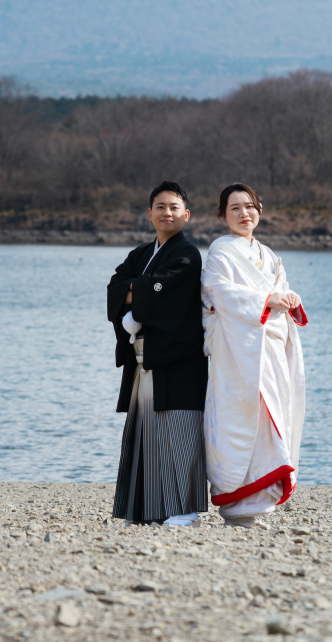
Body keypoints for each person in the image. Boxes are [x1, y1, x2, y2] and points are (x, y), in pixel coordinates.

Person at [201, 183, 307, 527]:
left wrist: (288, 298)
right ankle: (238, 500)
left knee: (271, 416)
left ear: (259, 210)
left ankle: (263, 501)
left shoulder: (270, 254)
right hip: (237, 349)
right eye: (235, 208)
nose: (244, 213)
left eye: (250, 206)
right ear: (223, 215)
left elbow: (280, 288)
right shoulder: (221, 251)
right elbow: (219, 293)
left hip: (270, 347)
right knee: (239, 415)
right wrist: (267, 301)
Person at [107, 181, 208, 526]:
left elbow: (156, 293)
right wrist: (139, 293)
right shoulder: (140, 254)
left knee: (179, 432)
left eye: (174, 207)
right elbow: (114, 288)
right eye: (161, 207)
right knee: (146, 435)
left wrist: (135, 303)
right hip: (143, 360)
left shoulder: (188, 255)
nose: (167, 213)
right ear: (150, 213)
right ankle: (145, 510)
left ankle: (186, 509)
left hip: (179, 358)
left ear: (186, 215)